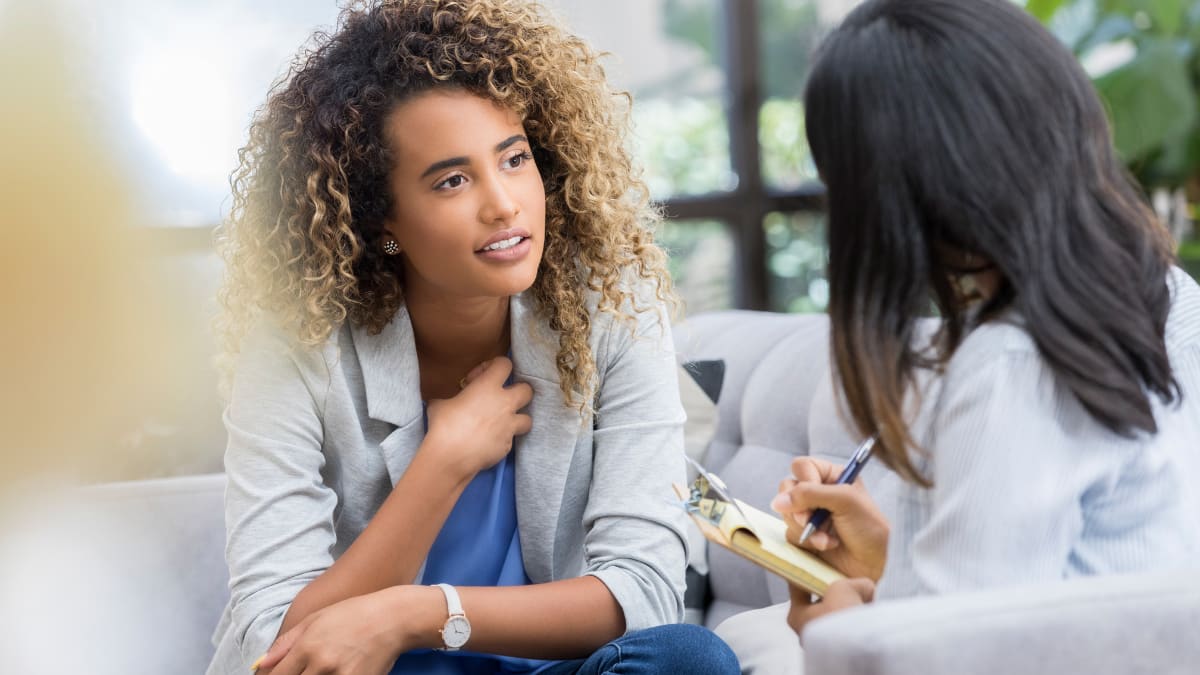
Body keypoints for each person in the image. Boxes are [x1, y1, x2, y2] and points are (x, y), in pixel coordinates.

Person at [205, 1, 740, 673]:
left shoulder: (612, 302)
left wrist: (416, 613)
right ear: (379, 221)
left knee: (689, 658)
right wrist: (443, 462)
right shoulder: (298, 341)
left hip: (546, 668)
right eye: (453, 179)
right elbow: (275, 640)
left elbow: (644, 589)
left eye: (514, 159)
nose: (504, 203)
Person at [769, 0, 1200, 642]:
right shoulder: (1166, 296)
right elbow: (1059, 588)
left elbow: (964, 655)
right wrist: (883, 569)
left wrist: (835, 630)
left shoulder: (1010, 363)